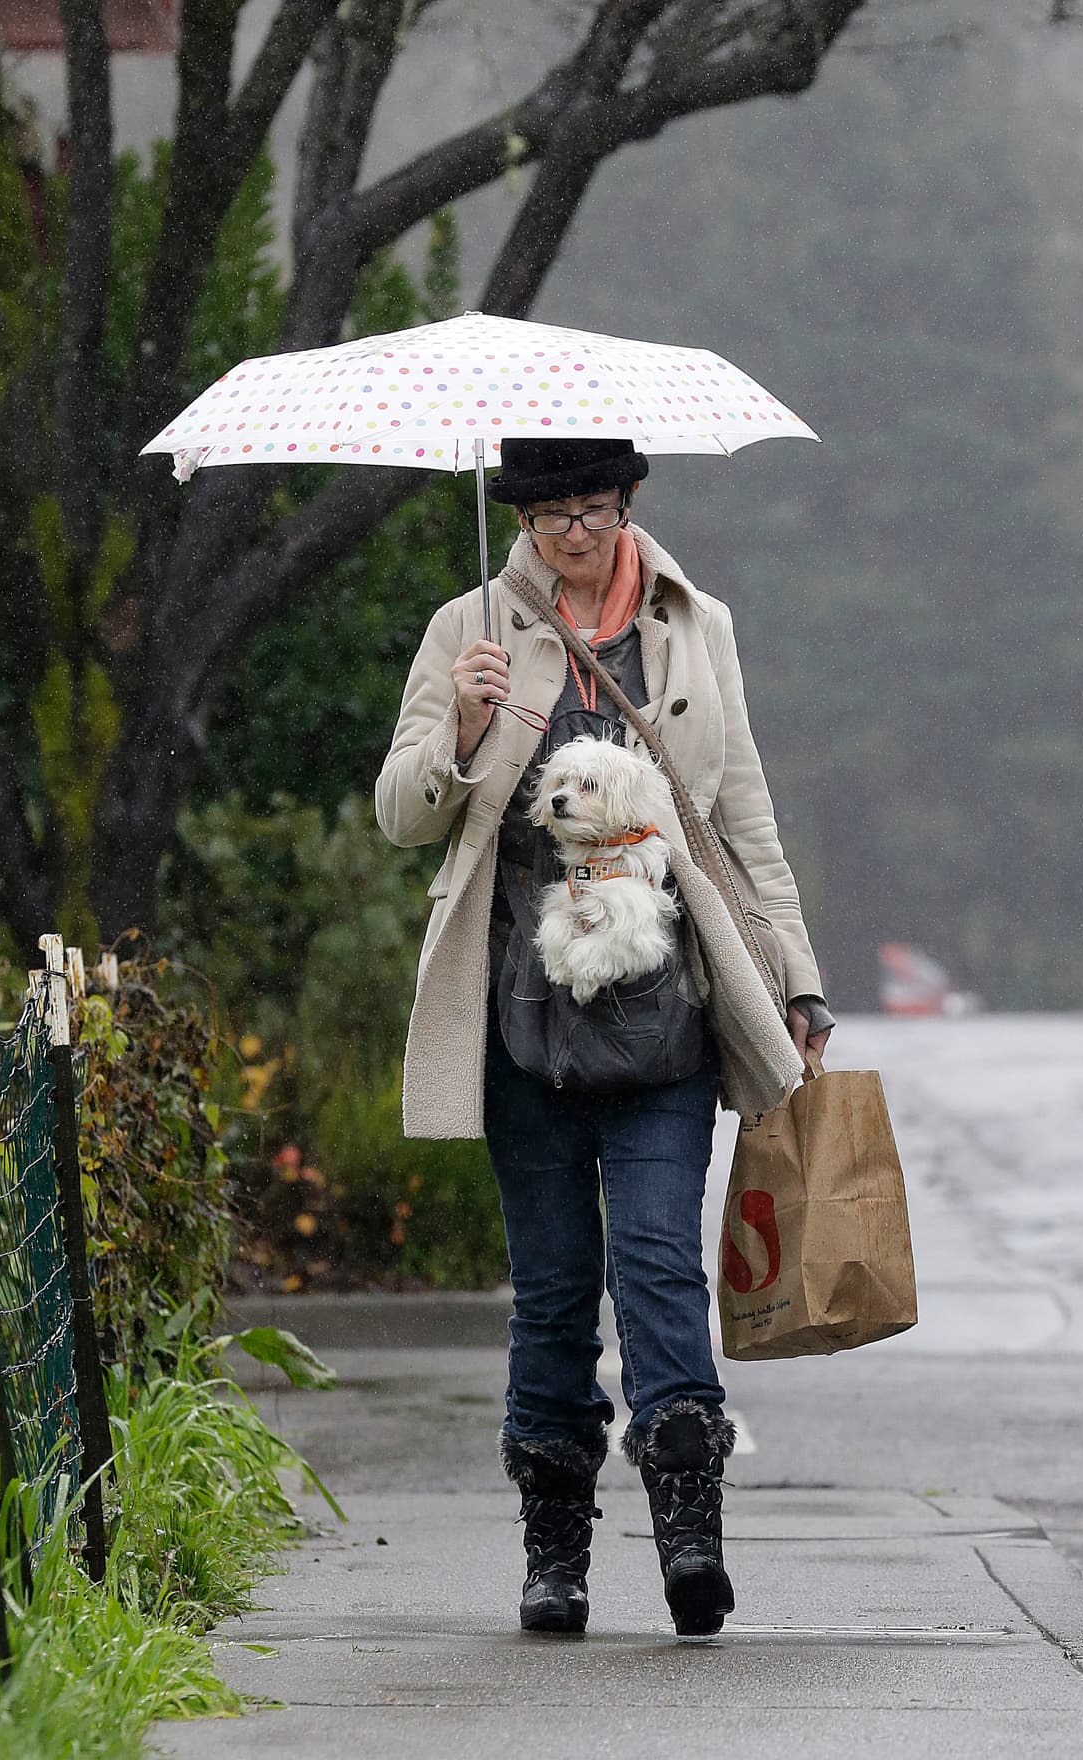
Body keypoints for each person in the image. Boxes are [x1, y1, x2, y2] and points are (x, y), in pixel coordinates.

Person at [375, 437, 833, 1638]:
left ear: (627, 501)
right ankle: (554, 1554)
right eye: (545, 517)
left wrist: (796, 975)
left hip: (662, 1005)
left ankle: (688, 1532)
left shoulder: (695, 624)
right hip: (520, 1011)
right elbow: (398, 815)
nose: (571, 537)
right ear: (518, 520)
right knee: (552, 1288)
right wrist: (460, 731)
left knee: (658, 1263)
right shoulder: (466, 627)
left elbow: (741, 813)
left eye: (590, 509)